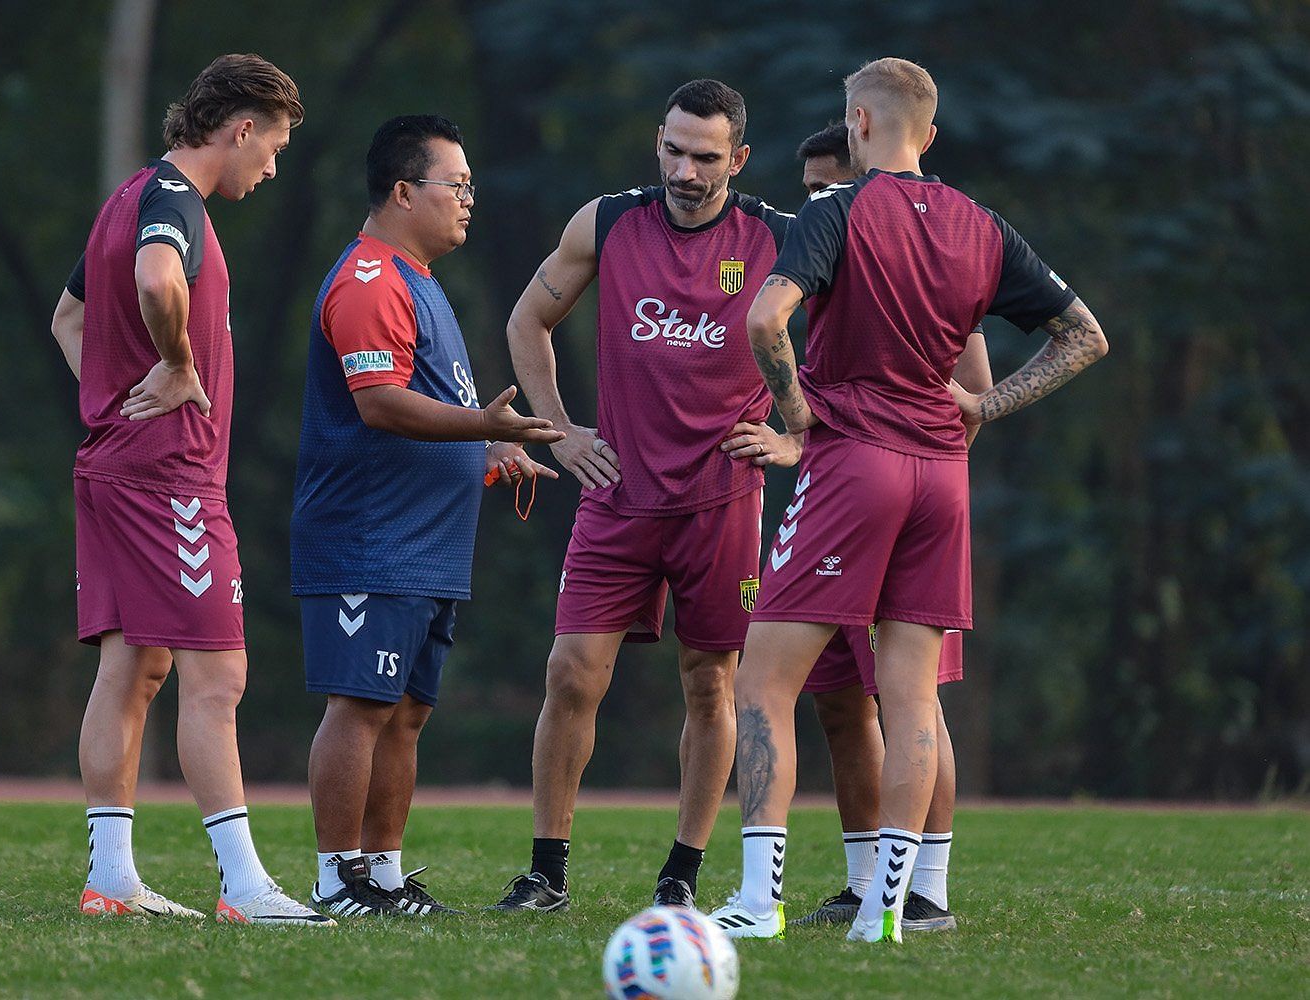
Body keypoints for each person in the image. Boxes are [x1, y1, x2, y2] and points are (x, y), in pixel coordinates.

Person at [710, 58, 1107, 942]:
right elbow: (1086, 337)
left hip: (857, 462)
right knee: (914, 700)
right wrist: (984, 405)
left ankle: (757, 902)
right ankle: (889, 909)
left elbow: (764, 320)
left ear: (856, 122)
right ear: (927, 131)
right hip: (943, 472)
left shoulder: (835, 209)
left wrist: (797, 411)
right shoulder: (983, 225)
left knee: (765, 682)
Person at [489, 80, 799, 915]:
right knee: (570, 674)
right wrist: (559, 431)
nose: (685, 170)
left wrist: (797, 437)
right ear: (655, 142)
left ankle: (681, 877)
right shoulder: (607, 222)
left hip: (723, 501)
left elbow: (850, 340)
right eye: (673, 149)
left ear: (737, 158)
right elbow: (527, 324)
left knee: (711, 685)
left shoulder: (777, 236)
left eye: (705, 156)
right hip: (616, 498)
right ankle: (546, 873)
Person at [52, 54, 329, 925]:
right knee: (220, 676)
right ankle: (245, 887)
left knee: (133, 668)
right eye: (274, 147)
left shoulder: (125, 197)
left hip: (116, 464)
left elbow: (68, 318)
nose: (272, 167)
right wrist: (172, 367)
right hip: (167, 475)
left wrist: (111, 402)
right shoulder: (174, 202)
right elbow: (156, 281)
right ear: (241, 128)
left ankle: (112, 877)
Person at [293, 115, 561, 918]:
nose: (470, 200)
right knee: (361, 707)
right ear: (404, 192)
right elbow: (379, 405)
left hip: (427, 547)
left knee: (405, 716)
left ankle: (381, 875)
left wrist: (484, 453)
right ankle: (335, 878)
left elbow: (430, 407)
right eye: (458, 184)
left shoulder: (421, 280)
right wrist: (486, 426)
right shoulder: (370, 280)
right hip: (369, 538)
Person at [790, 122, 991, 933]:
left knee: (912, 703)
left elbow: (972, 391)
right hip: (834, 499)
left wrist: (909, 471)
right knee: (839, 703)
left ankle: (930, 890)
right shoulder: (818, 261)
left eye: (825, 189)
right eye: (805, 191)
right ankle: (865, 880)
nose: (813, 206)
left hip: (897, 503)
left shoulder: (916, 256)